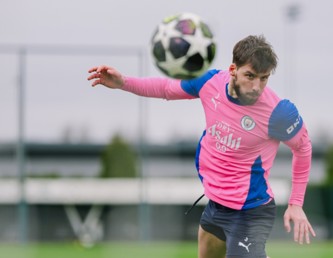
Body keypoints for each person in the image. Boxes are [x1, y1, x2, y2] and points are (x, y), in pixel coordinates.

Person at [87, 35, 315, 258]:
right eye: (250, 76)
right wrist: (123, 82)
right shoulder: (210, 82)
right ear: (233, 69)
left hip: (251, 211)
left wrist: (296, 203)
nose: (257, 86)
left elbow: (303, 148)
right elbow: (167, 88)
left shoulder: (279, 112)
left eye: (264, 78)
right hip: (216, 204)